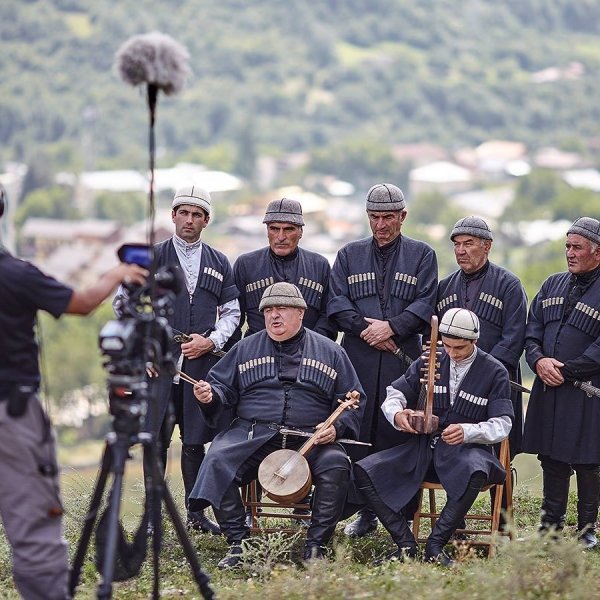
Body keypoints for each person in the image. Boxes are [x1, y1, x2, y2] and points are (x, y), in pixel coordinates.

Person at [0, 183, 148, 600]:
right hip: (11, 414)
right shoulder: (15, 275)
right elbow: (81, 303)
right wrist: (116, 275)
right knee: (34, 519)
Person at [188, 282, 365, 568]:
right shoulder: (245, 348)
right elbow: (221, 388)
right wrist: (210, 396)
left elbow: (354, 400)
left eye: (281, 308)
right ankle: (239, 544)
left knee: (336, 465)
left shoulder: (331, 351)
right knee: (218, 459)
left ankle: (316, 546)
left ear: (300, 312)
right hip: (253, 435)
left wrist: (337, 427)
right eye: (268, 310)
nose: (274, 315)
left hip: (311, 438)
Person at [116, 185, 240, 534]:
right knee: (156, 440)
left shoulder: (220, 262)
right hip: (157, 368)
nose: (189, 220)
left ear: (206, 220)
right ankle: (152, 516)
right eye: (183, 213)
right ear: (172, 216)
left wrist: (210, 341)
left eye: (196, 214)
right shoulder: (151, 257)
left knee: (195, 442)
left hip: (201, 368)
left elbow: (232, 311)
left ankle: (196, 514)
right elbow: (122, 305)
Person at [354, 308, 513, 564]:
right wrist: (397, 414)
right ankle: (405, 545)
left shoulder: (495, 371)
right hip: (424, 448)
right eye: (446, 345)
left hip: (468, 450)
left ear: (474, 340)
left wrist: (467, 431)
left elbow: (502, 424)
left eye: (459, 347)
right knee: (365, 471)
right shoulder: (430, 359)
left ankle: (435, 545)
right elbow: (394, 393)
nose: (451, 353)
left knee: (475, 470)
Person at [328, 182, 438, 537]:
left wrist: (391, 327)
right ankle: (364, 512)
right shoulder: (348, 254)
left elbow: (425, 303)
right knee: (358, 431)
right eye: (374, 217)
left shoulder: (423, 255)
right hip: (356, 360)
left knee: (399, 433)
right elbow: (337, 302)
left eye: (388, 217)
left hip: (402, 361)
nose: (381, 225)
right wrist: (366, 329)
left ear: (403, 216)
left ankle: (403, 514)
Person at [522, 216, 600, 549]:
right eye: (567, 246)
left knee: (588, 460)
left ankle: (586, 530)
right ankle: (550, 526)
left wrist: (565, 371)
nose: (570, 253)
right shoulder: (551, 284)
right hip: (548, 387)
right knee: (551, 457)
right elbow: (532, 331)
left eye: (577, 247)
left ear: (597, 252)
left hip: (587, 392)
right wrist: (538, 361)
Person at [437, 216, 527, 457]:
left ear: (487, 246)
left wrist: (482, 373)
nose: (461, 250)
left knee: (498, 455)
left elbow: (514, 338)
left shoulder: (509, 285)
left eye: (468, 243)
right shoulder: (444, 287)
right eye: (457, 244)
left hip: (497, 384)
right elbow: (437, 339)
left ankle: (501, 484)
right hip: (453, 385)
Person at [233, 197, 336, 340]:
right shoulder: (246, 265)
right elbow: (234, 317)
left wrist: (313, 346)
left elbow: (329, 316)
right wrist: (239, 350)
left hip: (308, 350)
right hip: (257, 350)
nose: (281, 237)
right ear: (267, 231)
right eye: (274, 229)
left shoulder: (319, 265)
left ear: (300, 232)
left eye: (289, 229)